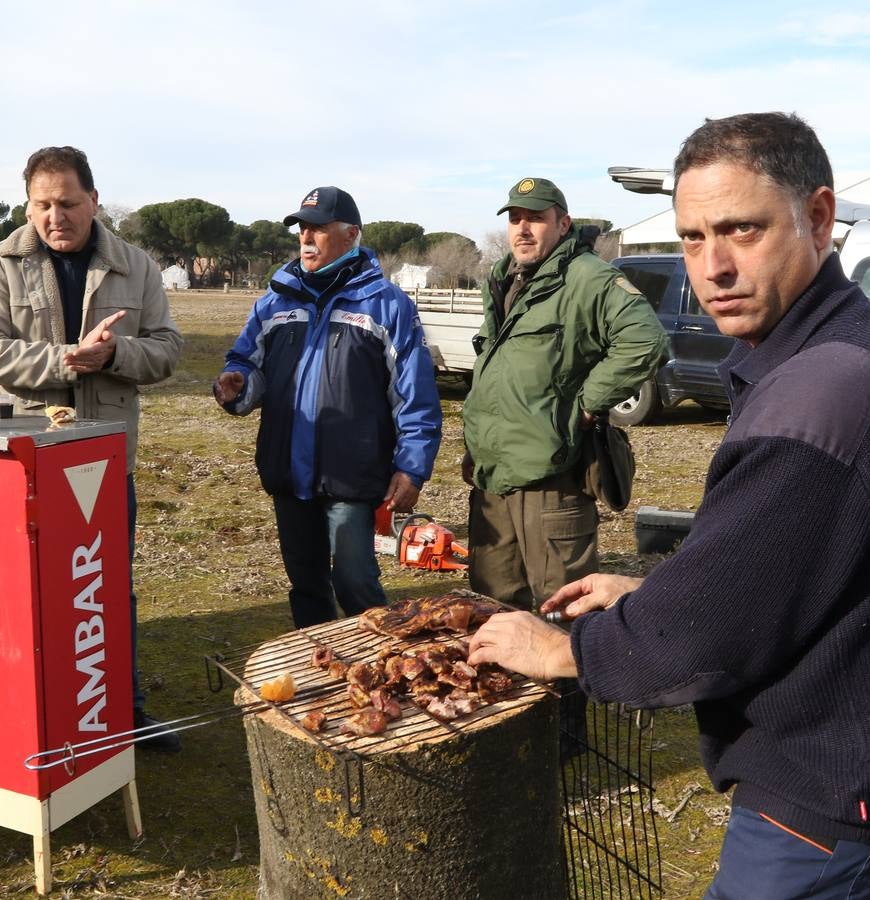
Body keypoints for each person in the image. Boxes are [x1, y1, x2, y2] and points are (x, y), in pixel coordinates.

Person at [469, 113, 870, 897]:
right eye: (691, 238)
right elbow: (795, 572)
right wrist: (658, 591)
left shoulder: (823, 392)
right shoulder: (823, 353)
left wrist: (567, 652)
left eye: (741, 230)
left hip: (820, 802)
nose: (711, 266)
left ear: (818, 218)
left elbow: (708, 633)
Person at [0, 146, 184, 752]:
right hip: (24, 465)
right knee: (27, 592)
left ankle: (125, 716)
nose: (54, 216)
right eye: (41, 204)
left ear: (93, 199)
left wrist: (115, 354)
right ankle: (34, 718)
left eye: (67, 202)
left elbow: (166, 349)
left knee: (108, 588)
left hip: (106, 462)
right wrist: (61, 359)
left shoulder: (135, 266)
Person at [213, 186, 441, 628]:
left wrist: (412, 468)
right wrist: (235, 386)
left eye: (318, 228)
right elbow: (246, 366)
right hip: (287, 474)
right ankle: (320, 671)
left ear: (351, 234)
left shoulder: (386, 305)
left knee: (355, 584)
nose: (306, 237)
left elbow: (415, 395)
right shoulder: (274, 302)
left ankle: (382, 672)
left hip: (351, 477)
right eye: (302, 228)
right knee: (307, 587)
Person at [461, 177, 668, 611]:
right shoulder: (506, 281)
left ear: (563, 223)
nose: (522, 228)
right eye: (516, 218)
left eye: (535, 219)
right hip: (493, 474)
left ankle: (570, 683)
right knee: (492, 611)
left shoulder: (587, 277)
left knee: (562, 610)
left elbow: (645, 339)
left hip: (550, 477)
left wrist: (590, 404)